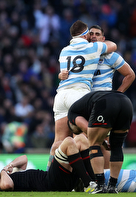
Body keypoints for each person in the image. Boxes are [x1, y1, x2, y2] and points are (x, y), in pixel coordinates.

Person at [49, 20, 117, 169]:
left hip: (61, 95)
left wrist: (60, 76)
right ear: (85, 34)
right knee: (80, 139)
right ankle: (84, 178)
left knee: (59, 140)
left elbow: (64, 74)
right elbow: (113, 46)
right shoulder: (93, 48)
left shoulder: (64, 50)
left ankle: (50, 176)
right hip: (78, 94)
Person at [67, 90, 133, 193]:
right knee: (117, 146)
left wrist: (102, 141)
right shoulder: (86, 107)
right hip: (126, 102)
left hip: (106, 102)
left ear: (72, 124)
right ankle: (112, 187)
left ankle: (100, 186)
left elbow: (88, 130)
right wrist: (105, 141)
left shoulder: (72, 114)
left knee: (94, 144)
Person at [0, 134, 95, 192]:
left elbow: (24, 159)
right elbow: (7, 185)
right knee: (69, 142)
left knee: (80, 139)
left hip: (51, 178)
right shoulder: (4, 183)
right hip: (51, 182)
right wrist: (3, 171)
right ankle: (88, 184)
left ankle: (92, 182)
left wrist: (10, 165)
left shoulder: (7, 176)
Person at [58, 25, 136, 93]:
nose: (94, 36)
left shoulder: (111, 56)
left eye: (97, 34)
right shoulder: (80, 54)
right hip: (84, 98)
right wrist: (61, 75)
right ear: (87, 37)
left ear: (103, 39)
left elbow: (130, 75)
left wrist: (118, 93)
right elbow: (69, 73)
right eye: (91, 34)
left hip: (103, 98)